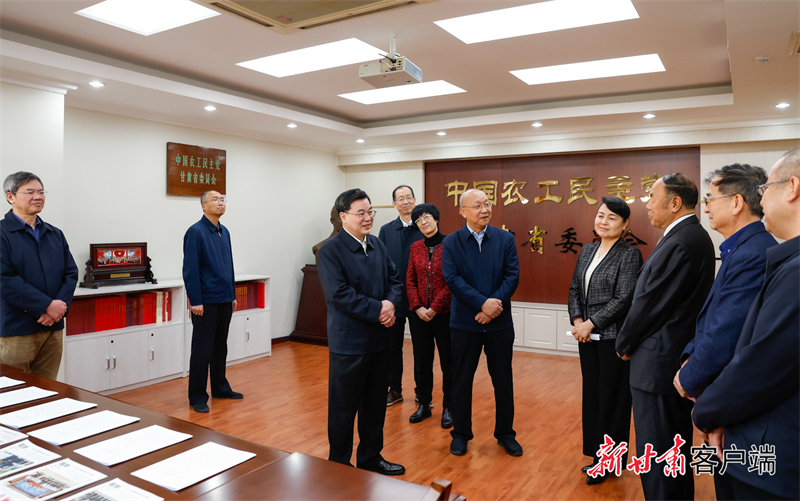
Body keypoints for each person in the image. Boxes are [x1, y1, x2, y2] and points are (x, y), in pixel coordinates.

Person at [693, 147, 800, 501]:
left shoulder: (791, 269)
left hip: (771, 451)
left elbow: (759, 365)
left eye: (766, 188)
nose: (761, 198)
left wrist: (706, 411)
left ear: (792, 187)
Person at [672, 164, 777, 500]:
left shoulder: (752, 254)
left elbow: (727, 333)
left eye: (710, 199)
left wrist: (688, 378)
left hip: (733, 401)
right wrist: (690, 358)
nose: (705, 207)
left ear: (736, 203)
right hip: (720, 395)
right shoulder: (740, 248)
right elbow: (712, 318)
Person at [615, 173, 715, 500]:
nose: (647, 205)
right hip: (667, 359)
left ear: (674, 203)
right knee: (671, 451)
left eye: (652, 198)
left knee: (658, 454)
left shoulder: (682, 241)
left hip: (657, 364)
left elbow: (650, 304)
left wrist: (623, 344)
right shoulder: (688, 235)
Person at [317, 188, 406, 476]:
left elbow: (395, 280)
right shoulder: (330, 251)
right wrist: (379, 309)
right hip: (350, 343)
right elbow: (339, 294)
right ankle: (339, 465)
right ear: (343, 216)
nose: (368, 218)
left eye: (370, 212)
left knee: (375, 405)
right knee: (343, 408)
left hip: (380, 340)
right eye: (361, 213)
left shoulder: (377, 244)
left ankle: (370, 458)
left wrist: (390, 304)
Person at [567, 197, 642, 485]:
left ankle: (609, 462)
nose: (604, 222)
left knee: (613, 400)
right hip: (586, 338)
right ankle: (596, 455)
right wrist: (578, 321)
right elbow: (575, 289)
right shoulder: (587, 250)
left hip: (612, 339)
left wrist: (591, 323)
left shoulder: (629, 254)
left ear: (625, 224)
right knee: (593, 397)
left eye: (612, 218)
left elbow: (624, 298)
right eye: (601, 215)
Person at [441, 188, 521, 457]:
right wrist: (481, 304)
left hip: (499, 323)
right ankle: (460, 434)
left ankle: (506, 434)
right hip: (465, 323)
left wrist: (491, 308)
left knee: (503, 380)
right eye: (477, 206)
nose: (485, 210)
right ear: (463, 212)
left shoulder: (504, 239)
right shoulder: (451, 242)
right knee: (461, 380)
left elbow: (512, 276)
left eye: (487, 204)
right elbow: (452, 280)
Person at [0, 172, 78, 379]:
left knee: (48, 388)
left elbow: (71, 273)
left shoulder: (55, 234)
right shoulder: (2, 233)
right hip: (16, 328)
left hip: (53, 327)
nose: (38, 196)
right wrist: (46, 305)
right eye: (30, 192)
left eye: (41, 192)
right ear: (10, 197)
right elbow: (4, 279)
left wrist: (58, 307)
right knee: (13, 390)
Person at [183, 190, 242, 414]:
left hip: (224, 298)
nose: (220, 203)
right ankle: (197, 396)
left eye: (222, 200)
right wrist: (195, 300)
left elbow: (229, 265)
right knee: (202, 350)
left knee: (220, 347)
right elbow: (190, 269)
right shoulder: (195, 232)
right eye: (215, 200)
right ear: (203, 206)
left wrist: (232, 294)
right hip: (205, 302)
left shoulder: (224, 232)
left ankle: (220, 388)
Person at [405, 203, 453, 428]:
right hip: (419, 315)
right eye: (418, 220)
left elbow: (453, 281)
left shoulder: (451, 244)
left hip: (445, 314)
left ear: (436, 218)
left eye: (426, 217)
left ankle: (449, 407)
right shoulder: (415, 247)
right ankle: (424, 404)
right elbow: (410, 280)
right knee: (422, 360)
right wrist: (417, 307)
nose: (423, 222)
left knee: (448, 362)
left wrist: (434, 308)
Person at [378, 185, 423, 407]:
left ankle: (423, 393)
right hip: (394, 298)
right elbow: (380, 265)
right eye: (401, 198)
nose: (406, 201)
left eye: (409, 197)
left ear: (415, 200)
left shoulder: (424, 227)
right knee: (392, 347)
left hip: (420, 300)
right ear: (394, 204)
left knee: (421, 347)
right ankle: (394, 390)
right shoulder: (386, 230)